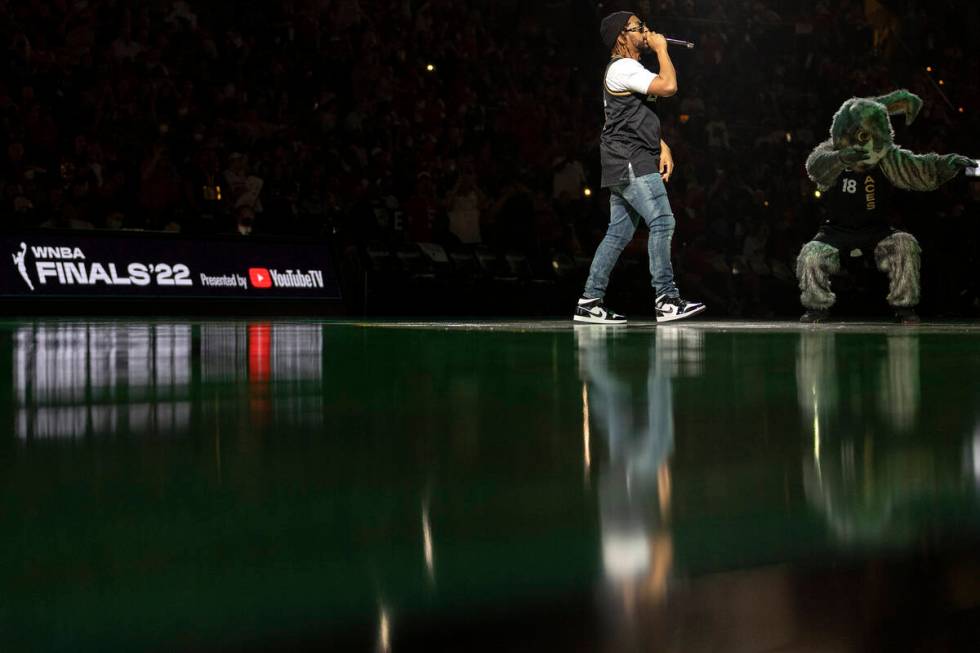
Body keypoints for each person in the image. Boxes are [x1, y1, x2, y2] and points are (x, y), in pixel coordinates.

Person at [573, 11, 705, 324]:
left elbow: (634, 116)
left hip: (627, 155)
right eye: (638, 28)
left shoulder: (628, 69)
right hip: (630, 157)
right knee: (663, 221)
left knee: (618, 233)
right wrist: (662, 49)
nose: (645, 31)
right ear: (622, 36)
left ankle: (590, 301)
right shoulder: (624, 67)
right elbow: (669, 86)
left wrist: (662, 145)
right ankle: (666, 299)